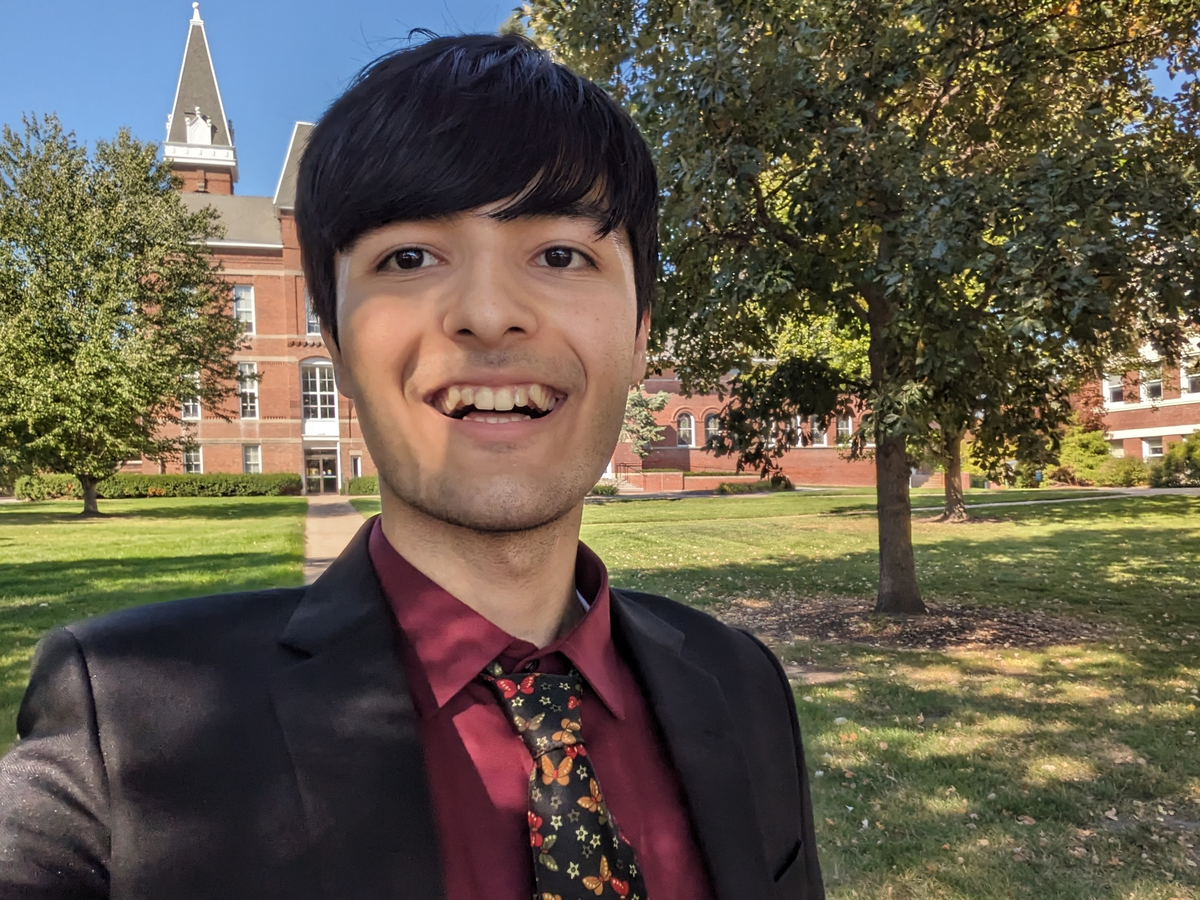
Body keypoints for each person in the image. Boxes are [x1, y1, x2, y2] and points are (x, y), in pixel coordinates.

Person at [0, 34, 824, 900]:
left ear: (641, 332)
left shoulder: (743, 686)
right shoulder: (131, 728)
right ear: (336, 345)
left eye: (560, 254)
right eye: (409, 257)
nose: (488, 314)